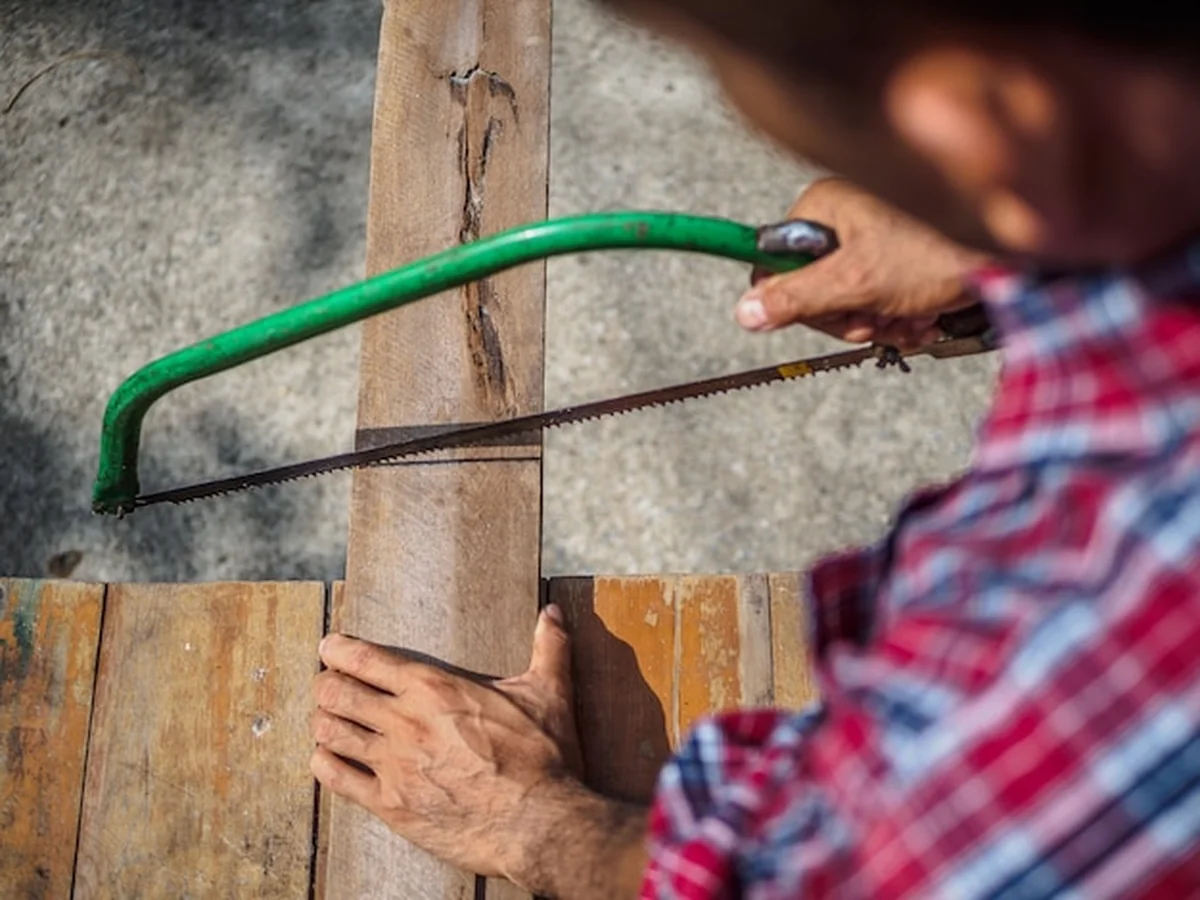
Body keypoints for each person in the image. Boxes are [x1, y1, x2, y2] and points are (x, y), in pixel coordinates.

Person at [307, 2, 1200, 896]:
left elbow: (813, 881)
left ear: (967, 121)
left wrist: (528, 819)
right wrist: (995, 228)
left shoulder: (1122, 611)